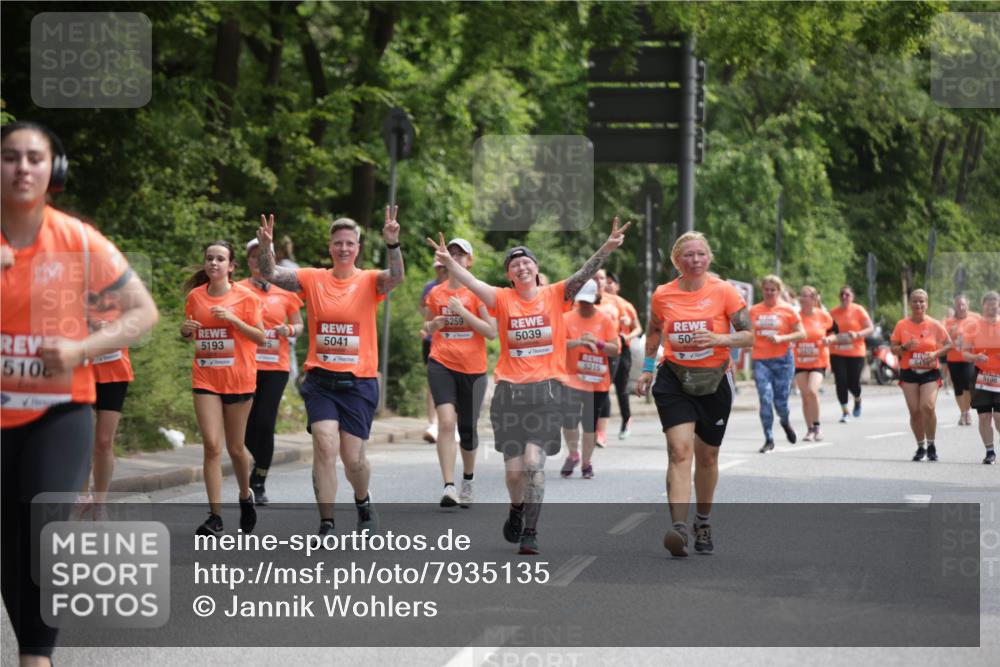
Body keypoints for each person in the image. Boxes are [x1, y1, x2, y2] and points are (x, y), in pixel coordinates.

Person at [2, 121, 158, 665]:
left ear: (53, 172)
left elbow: (142, 313)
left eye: (34, 158)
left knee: (42, 526)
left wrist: (79, 349)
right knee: (8, 540)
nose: (22, 167)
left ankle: (36, 656)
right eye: (10, 157)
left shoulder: (77, 239)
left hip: (60, 409)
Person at [428, 217, 632, 555]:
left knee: (534, 464)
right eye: (515, 264)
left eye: (527, 262)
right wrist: (450, 262)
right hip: (509, 392)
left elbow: (583, 273)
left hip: (546, 391)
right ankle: (517, 509)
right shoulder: (502, 298)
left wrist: (607, 248)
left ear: (536, 269)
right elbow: (471, 281)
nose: (521, 267)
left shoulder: (555, 295)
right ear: (510, 274)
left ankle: (531, 532)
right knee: (513, 474)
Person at [256, 208, 404, 537]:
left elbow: (396, 278)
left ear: (358, 248)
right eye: (338, 243)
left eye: (349, 243)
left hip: (358, 383)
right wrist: (267, 246)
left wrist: (393, 244)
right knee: (324, 445)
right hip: (321, 380)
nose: (343, 248)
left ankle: (363, 500)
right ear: (330, 247)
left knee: (353, 459)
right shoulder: (313, 278)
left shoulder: (368, 280)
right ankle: (327, 522)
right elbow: (271, 274)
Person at [636, 231, 753, 557]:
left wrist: (719, 340)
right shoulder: (663, 295)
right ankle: (679, 528)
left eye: (701, 254)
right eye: (688, 255)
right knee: (679, 450)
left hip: (715, 381)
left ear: (709, 258)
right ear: (677, 261)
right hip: (674, 378)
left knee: (707, 456)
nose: (696, 260)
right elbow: (655, 330)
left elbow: (749, 336)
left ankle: (703, 520)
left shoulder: (725, 292)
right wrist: (647, 368)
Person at [182, 241, 265, 535]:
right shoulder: (195, 297)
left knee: (235, 448)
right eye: (209, 258)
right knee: (212, 446)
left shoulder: (246, 298)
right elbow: (189, 331)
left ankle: (245, 496)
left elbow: (261, 337)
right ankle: (215, 516)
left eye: (220, 259)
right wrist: (186, 331)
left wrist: (233, 320)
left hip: (239, 379)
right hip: (205, 378)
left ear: (231, 266)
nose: (214, 263)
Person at [423, 238, 495, 507]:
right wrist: (434, 324)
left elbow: (490, 333)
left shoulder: (479, 293)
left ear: (469, 260)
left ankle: (468, 478)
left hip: (473, 369)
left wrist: (464, 312)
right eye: (451, 254)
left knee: (467, 429)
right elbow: (427, 328)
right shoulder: (436, 293)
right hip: (441, 362)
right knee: (446, 423)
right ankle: (448, 486)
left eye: (461, 255)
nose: (455, 258)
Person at [239, 238, 304, 505]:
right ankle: (252, 462)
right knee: (245, 426)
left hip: (275, 367)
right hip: (244, 365)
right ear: (248, 261)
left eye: (264, 255)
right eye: (254, 256)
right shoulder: (238, 289)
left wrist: (289, 330)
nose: (259, 260)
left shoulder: (286, 292)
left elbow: (298, 325)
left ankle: (259, 481)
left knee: (265, 423)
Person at [560, 280, 619, 479]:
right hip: (571, 379)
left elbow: (615, 349)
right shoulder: (566, 318)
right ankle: (573, 454)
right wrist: (579, 341)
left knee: (589, 424)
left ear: (595, 298)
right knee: (568, 422)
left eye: (588, 301)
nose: (584, 305)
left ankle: (586, 463)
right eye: (581, 301)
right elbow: (557, 344)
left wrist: (598, 342)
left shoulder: (605, 320)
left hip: (596, 381)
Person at [890, 289, 952, 462]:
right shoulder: (902, 325)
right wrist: (905, 347)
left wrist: (935, 354)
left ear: (926, 304)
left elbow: (949, 344)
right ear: (910, 304)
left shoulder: (935, 324)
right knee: (915, 411)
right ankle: (920, 446)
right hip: (909, 371)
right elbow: (893, 348)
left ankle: (931, 444)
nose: (918, 304)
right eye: (915, 301)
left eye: (921, 301)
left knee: (928, 406)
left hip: (930, 372)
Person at [76, 345, 133, 519]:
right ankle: (82, 498)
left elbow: (136, 329)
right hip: (81, 369)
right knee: (80, 437)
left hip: (114, 369)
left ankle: (100, 505)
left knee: (104, 441)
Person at [750, 275, 806, 453]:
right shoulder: (754, 311)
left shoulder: (788, 310)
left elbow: (802, 334)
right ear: (762, 291)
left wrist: (782, 338)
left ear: (779, 291)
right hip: (761, 360)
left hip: (783, 361)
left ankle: (785, 421)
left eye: (773, 290)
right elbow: (747, 333)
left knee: (781, 403)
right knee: (765, 399)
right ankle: (769, 438)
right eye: (766, 289)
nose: (769, 293)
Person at [961, 291, 1000, 464]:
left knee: (999, 417)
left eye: (995, 304)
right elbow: (964, 352)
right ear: (982, 305)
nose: (992, 307)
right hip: (981, 376)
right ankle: (990, 451)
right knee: (984, 417)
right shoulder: (973, 326)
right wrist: (976, 357)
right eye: (989, 303)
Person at [604, 272, 642, 439]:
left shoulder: (625, 305)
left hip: (623, 348)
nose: (608, 285)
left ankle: (626, 421)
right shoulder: (598, 302)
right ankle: (599, 429)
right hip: (604, 348)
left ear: (617, 286)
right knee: (603, 387)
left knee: (621, 387)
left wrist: (628, 334)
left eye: (611, 282)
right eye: (606, 282)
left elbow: (638, 328)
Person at [829, 285, 874, 422]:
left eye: (847, 294)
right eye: (842, 294)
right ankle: (845, 411)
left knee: (853, 382)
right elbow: (827, 331)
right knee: (841, 381)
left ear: (852, 297)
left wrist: (857, 334)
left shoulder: (859, 310)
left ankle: (857, 399)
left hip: (856, 352)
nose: (844, 297)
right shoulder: (833, 312)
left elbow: (870, 328)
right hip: (837, 352)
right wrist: (832, 337)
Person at [794, 286, 834, 441]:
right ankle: (809, 429)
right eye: (801, 295)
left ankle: (817, 427)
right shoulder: (795, 317)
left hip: (819, 360)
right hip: (800, 360)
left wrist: (829, 339)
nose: (803, 299)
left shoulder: (824, 316)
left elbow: (835, 333)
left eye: (806, 296)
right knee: (805, 396)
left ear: (814, 299)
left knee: (812, 391)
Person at [592, 269, 622, 447]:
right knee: (588, 391)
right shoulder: (581, 299)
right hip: (586, 351)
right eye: (594, 278)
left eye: (601, 278)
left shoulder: (616, 301)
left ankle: (600, 432)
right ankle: (591, 428)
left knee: (603, 388)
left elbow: (630, 321)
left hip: (610, 350)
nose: (598, 281)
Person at [420, 261, 448, 443]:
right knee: (432, 383)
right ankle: (433, 423)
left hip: (453, 344)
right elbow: (423, 308)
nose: (441, 270)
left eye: (443, 267)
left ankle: (446, 422)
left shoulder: (462, 286)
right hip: (431, 342)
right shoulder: (430, 287)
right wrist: (429, 324)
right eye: (438, 267)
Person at [944, 294, 981, 426]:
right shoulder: (948, 321)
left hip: (969, 358)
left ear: (968, 305)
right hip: (953, 358)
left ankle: (967, 411)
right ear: (955, 306)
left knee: (968, 385)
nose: (961, 307)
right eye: (958, 304)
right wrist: (950, 332)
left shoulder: (975, 318)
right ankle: (963, 412)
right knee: (958, 388)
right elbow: (942, 339)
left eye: (963, 304)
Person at [275, 234, 302, 386]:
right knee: (289, 351)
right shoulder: (295, 267)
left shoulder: (276, 267)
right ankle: (290, 385)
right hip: (290, 310)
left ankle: (289, 386)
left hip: (279, 309)